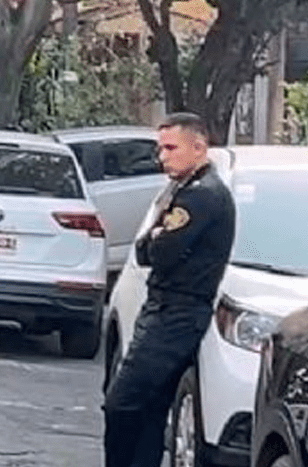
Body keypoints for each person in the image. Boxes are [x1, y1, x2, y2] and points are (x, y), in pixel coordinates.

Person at [103, 112, 236, 467]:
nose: (162, 157)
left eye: (171, 148)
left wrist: (157, 239)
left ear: (199, 148)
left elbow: (161, 252)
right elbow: (144, 250)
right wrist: (155, 238)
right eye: (160, 149)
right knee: (149, 409)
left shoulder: (202, 196)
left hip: (177, 313)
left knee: (122, 403)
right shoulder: (182, 189)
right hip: (164, 308)